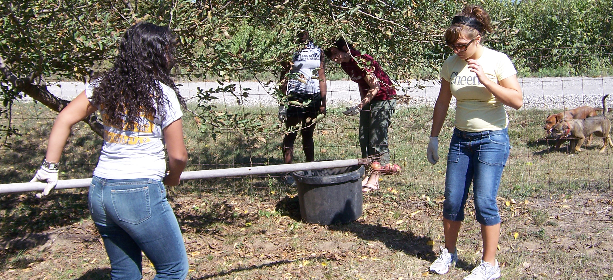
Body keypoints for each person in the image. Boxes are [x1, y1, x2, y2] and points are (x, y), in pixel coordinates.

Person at [30, 22, 189, 279]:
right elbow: (179, 156)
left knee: (125, 273)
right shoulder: (162, 93)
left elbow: (65, 118)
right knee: (173, 269)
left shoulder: (104, 84)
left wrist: (50, 167)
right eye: (168, 50)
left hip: (101, 191)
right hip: (139, 191)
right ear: (157, 53)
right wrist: (173, 178)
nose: (171, 57)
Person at [426, 5, 523, 280]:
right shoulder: (452, 63)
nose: (456, 51)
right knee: (453, 199)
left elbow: (517, 101)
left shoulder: (497, 61)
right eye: (452, 46)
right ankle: (449, 252)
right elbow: (443, 101)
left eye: (460, 46)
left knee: (484, 201)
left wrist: (486, 81)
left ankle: (489, 265)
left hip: (491, 139)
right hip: (460, 140)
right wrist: (434, 137)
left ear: (477, 38)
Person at [324, 38, 396, 192]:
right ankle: (368, 174)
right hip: (369, 100)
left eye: (335, 53)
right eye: (331, 57)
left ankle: (375, 179)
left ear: (344, 48)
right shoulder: (345, 64)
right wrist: (363, 103)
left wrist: (360, 105)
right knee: (364, 137)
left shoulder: (360, 60)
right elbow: (361, 84)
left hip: (384, 99)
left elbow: (375, 86)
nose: (334, 58)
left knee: (376, 138)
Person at [279, 30, 327, 165]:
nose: (301, 34)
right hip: (295, 95)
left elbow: (321, 76)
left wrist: (323, 101)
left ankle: (310, 167)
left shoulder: (318, 50)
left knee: (308, 133)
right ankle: (287, 171)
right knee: (291, 133)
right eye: (298, 30)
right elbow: (284, 77)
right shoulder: (290, 50)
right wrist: (282, 103)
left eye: (304, 31)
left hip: (313, 96)